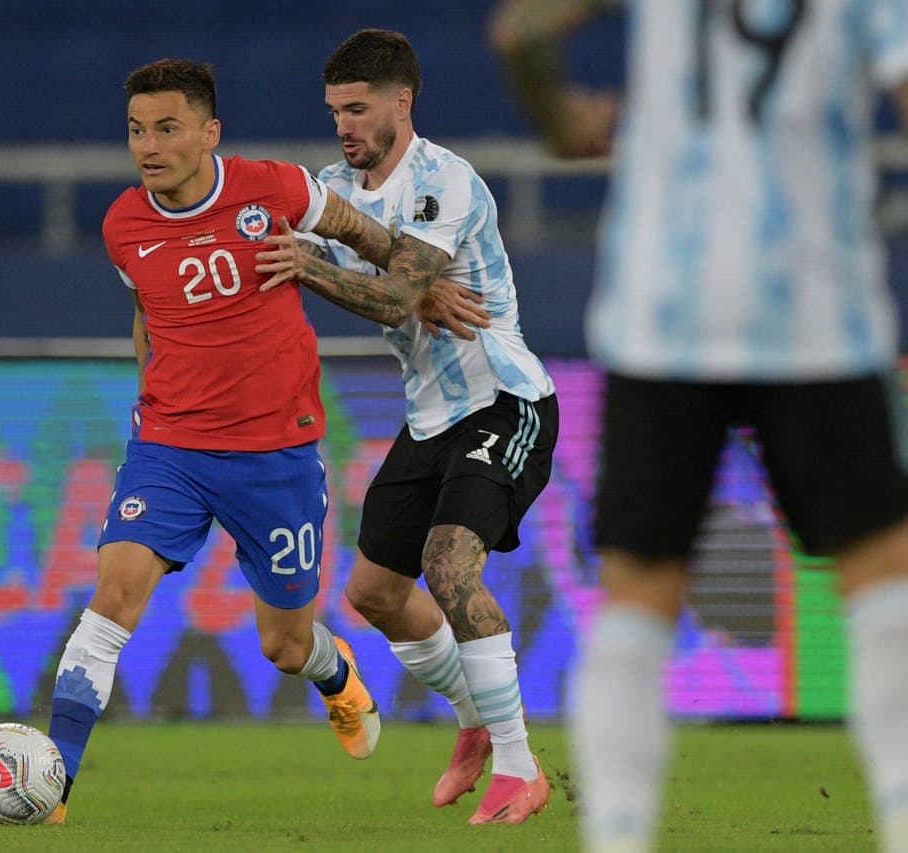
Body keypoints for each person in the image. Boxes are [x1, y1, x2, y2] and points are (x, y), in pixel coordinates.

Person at [489, 2, 908, 851]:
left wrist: (565, 119)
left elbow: (522, 32)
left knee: (637, 596)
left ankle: (617, 834)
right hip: (818, 306)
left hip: (664, 304)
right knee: (882, 584)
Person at [44, 57, 450, 825]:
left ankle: (338, 681)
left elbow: (370, 238)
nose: (149, 146)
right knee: (112, 599)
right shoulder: (122, 225)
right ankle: (50, 781)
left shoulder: (278, 189)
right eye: (136, 130)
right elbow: (147, 315)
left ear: (209, 133)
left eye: (167, 128)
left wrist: (424, 282)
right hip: (169, 450)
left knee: (285, 645)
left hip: (277, 455)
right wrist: (151, 399)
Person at [255, 28, 558, 825]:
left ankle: (522, 770)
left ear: (402, 101)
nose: (345, 126)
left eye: (358, 109)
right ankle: (476, 721)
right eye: (334, 112)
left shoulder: (443, 180)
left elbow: (392, 297)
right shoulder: (333, 186)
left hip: (505, 398)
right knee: (376, 593)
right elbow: (357, 267)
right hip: (430, 416)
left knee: (449, 566)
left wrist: (313, 263)